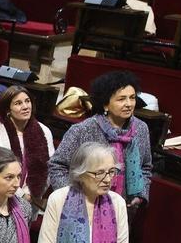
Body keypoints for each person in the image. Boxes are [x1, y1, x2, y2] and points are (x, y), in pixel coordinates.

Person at [48, 70, 152, 209]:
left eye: (132, 98)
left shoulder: (141, 128)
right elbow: (56, 166)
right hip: (82, 209)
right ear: (105, 104)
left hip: (123, 209)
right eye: (121, 99)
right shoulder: (83, 130)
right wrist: (74, 198)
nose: (129, 104)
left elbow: (145, 167)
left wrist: (140, 195)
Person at [0, 86, 55, 203]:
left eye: (27, 101)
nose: (25, 107)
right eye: (18, 103)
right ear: (8, 109)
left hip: (33, 198)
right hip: (3, 196)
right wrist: (21, 195)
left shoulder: (44, 131)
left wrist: (32, 194)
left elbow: (49, 167)